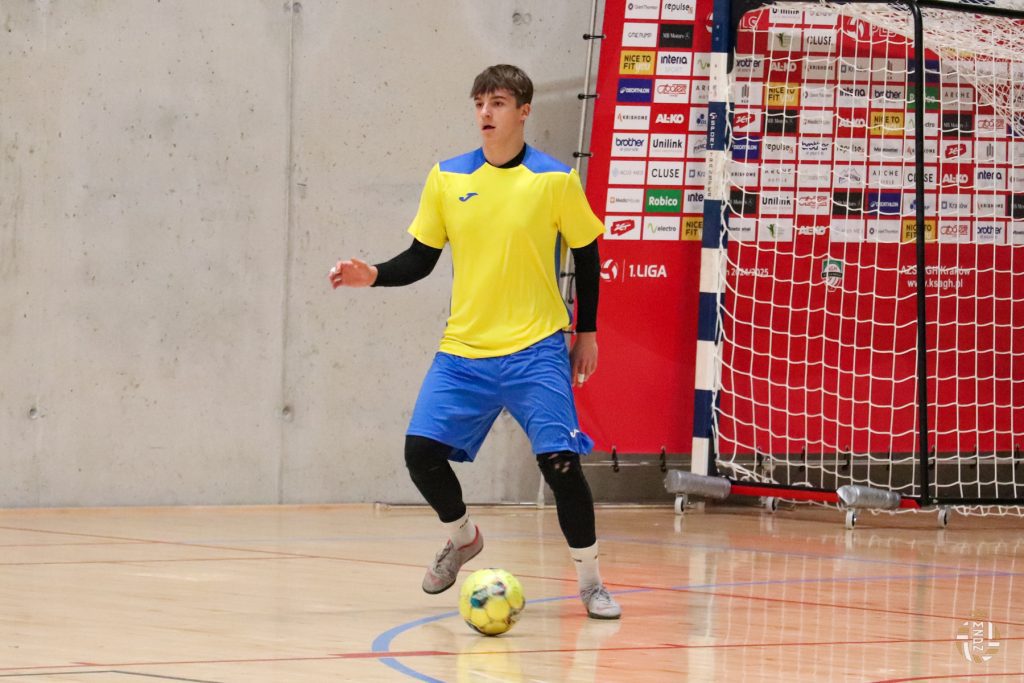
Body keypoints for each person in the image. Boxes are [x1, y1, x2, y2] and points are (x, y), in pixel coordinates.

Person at [329, 64, 620, 619]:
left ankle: (591, 583)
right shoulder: (447, 177)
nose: (486, 113)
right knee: (420, 455)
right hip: (464, 352)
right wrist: (375, 274)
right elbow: (421, 258)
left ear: (524, 111)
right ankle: (463, 538)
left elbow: (587, 256)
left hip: (536, 350)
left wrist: (587, 334)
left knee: (561, 465)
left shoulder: (555, 180)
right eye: (480, 103)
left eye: (499, 103)